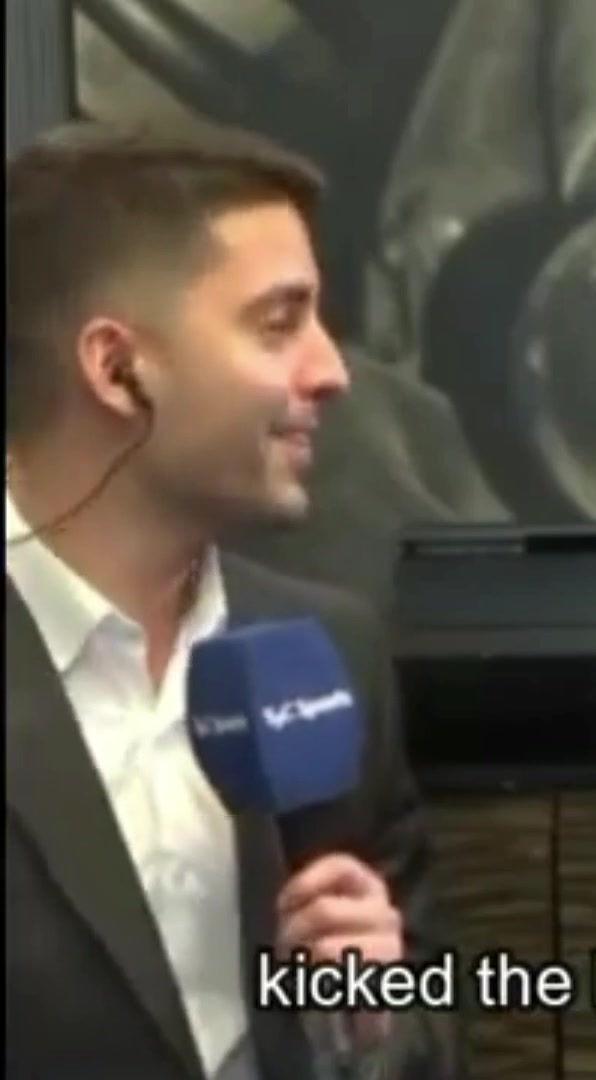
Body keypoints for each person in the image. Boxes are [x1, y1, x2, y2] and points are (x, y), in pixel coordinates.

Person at [4, 121, 460, 1078]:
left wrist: (371, 1024)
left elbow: (433, 1043)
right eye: (278, 323)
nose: (332, 371)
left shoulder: (328, 653)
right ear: (117, 369)